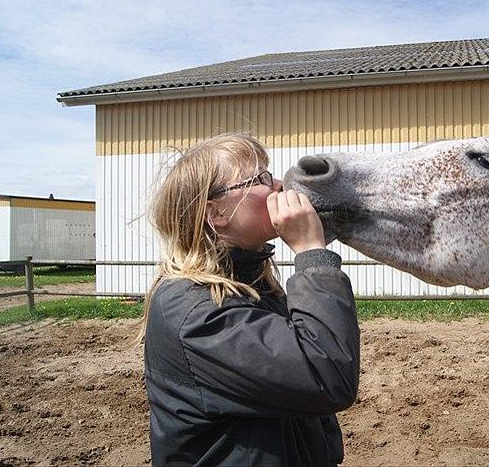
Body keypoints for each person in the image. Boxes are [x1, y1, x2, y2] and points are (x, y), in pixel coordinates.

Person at [140, 134, 360, 466]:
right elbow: (327, 375)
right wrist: (312, 253)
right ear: (216, 214)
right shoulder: (195, 314)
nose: (278, 185)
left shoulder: (253, 285)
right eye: (258, 179)